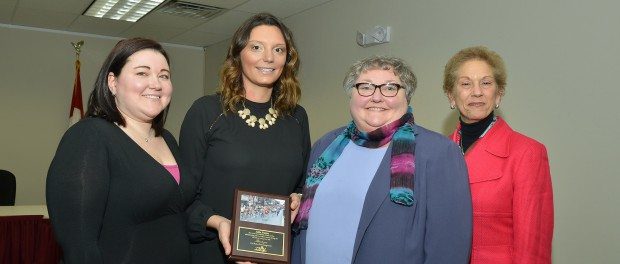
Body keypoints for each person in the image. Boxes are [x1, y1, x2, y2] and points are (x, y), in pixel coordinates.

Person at [291, 56, 472, 264]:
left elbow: (448, 249)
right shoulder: (326, 146)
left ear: (407, 96)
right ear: (351, 94)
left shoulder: (439, 153)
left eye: (389, 88)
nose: (376, 97)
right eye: (365, 87)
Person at [46, 38, 196, 263]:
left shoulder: (168, 139)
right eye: (142, 73)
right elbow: (80, 246)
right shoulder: (89, 136)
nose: (156, 83)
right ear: (113, 82)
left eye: (164, 75)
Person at [180, 13, 310, 264]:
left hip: (276, 255)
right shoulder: (207, 111)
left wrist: (299, 199)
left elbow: (301, 185)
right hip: (214, 253)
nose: (268, 58)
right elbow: (181, 199)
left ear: (287, 59)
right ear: (238, 54)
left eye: (278, 49)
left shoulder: (296, 117)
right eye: (256, 47)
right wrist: (218, 223)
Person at [443, 46, 554, 263]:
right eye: (466, 84)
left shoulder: (527, 153)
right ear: (451, 96)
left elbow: (533, 248)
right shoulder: (437, 152)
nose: (477, 92)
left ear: (498, 94)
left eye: (486, 83)